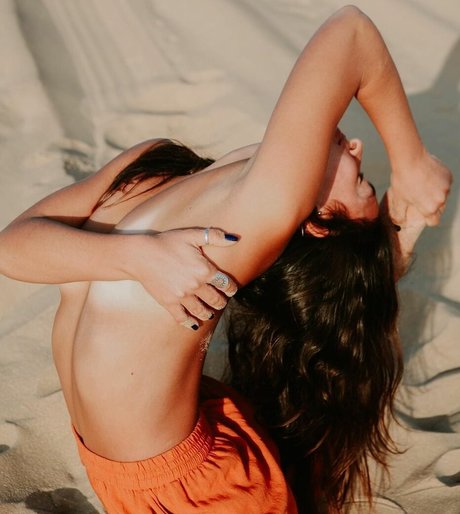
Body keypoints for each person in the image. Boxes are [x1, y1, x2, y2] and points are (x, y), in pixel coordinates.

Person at [0, 6, 451, 514]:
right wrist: (133, 255)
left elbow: (352, 35)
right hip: (134, 476)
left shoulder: (257, 215)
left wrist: (413, 165)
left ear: (318, 222)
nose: (360, 146)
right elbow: (10, 247)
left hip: (203, 495)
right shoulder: (155, 164)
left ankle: (394, 251)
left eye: (361, 180)